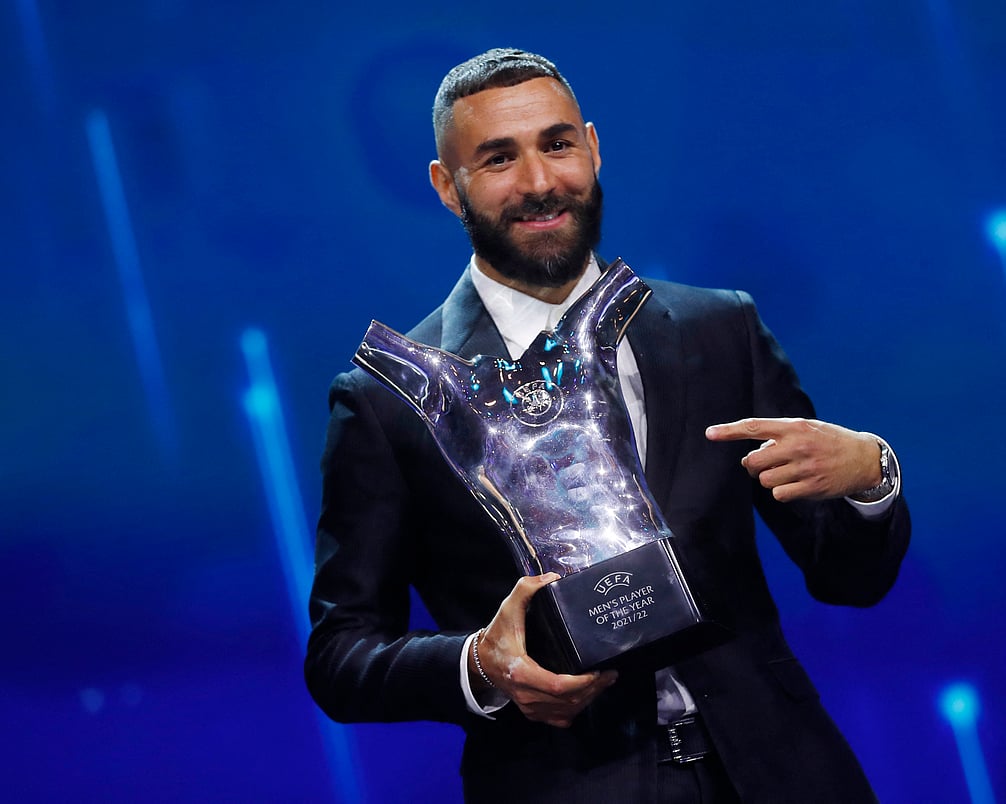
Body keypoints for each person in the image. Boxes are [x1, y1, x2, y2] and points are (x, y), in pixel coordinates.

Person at [305, 48, 911, 804]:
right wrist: (479, 666)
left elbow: (849, 577)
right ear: (447, 187)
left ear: (592, 148)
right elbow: (340, 654)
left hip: (781, 773)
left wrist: (871, 478)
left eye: (557, 145)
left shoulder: (719, 328)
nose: (538, 182)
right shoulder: (390, 398)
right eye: (498, 159)